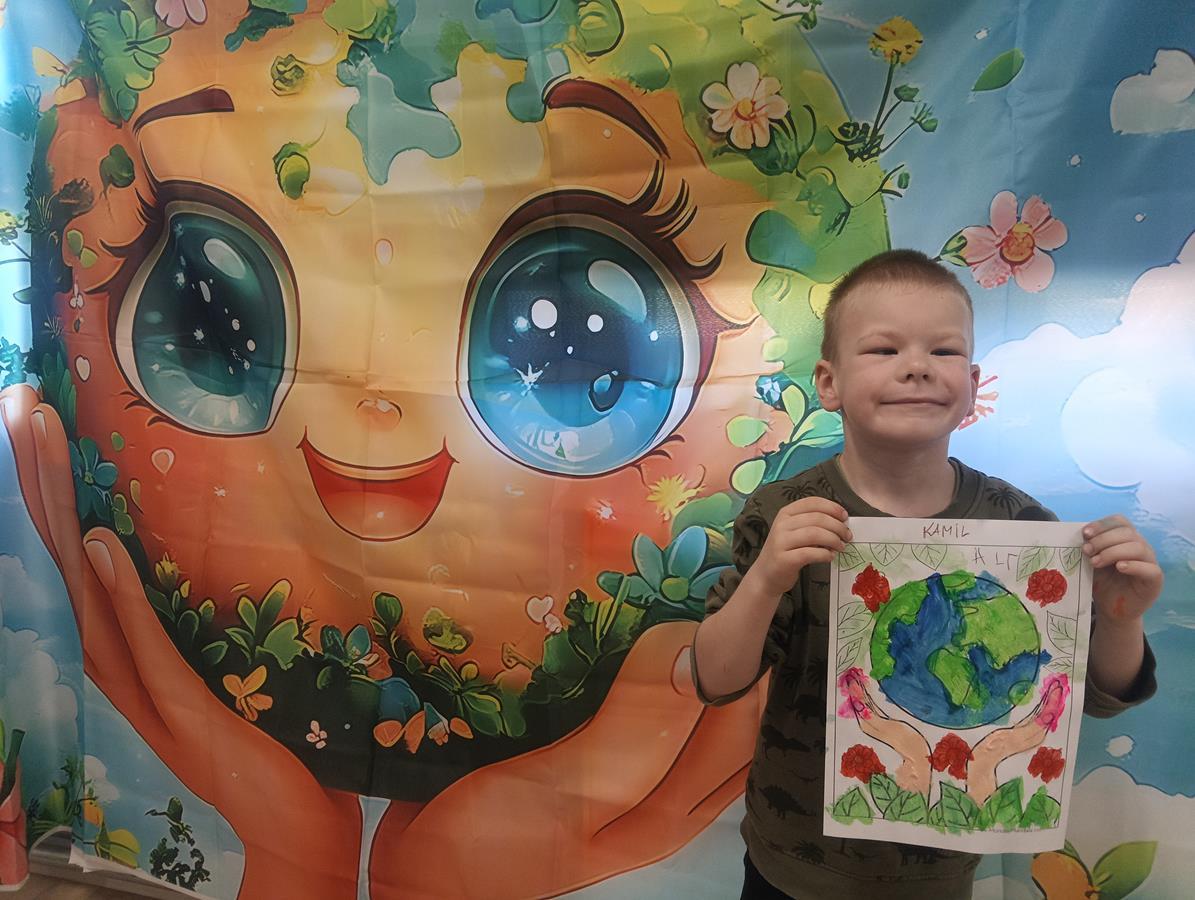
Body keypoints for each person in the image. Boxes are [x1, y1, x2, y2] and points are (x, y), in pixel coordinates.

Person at [691, 249, 1161, 900]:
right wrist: (767, 576)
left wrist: (1121, 617)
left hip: (940, 874)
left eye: (943, 351)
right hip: (793, 866)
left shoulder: (1023, 527)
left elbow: (1098, 697)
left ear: (971, 385)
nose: (916, 366)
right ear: (828, 382)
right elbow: (715, 680)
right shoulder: (783, 515)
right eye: (883, 349)